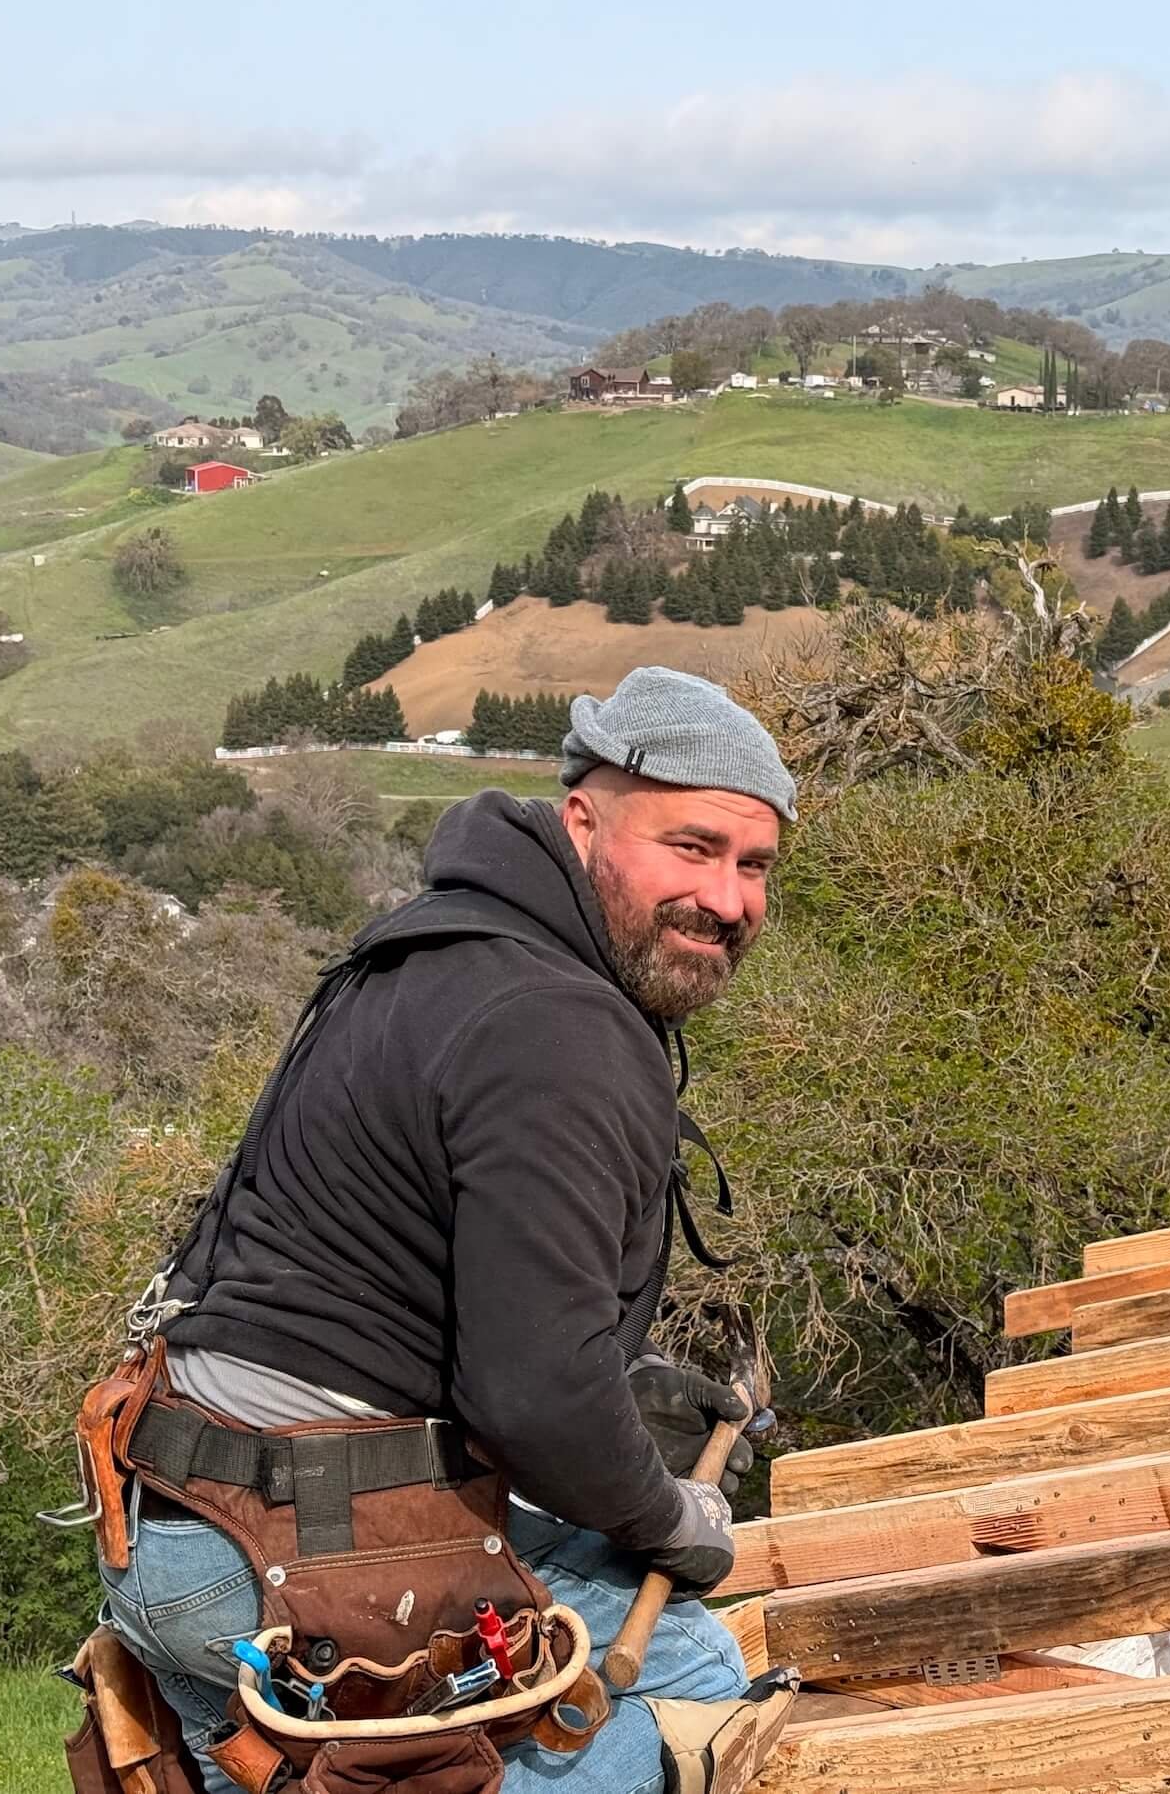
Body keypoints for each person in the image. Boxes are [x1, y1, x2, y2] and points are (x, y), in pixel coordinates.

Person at [93, 668, 796, 1794]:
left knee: (643, 1640)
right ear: (582, 821)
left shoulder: (439, 947)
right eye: (691, 848)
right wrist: (675, 1517)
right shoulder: (554, 1022)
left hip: (188, 1526)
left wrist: (622, 1380)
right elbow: (532, 1398)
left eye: (753, 865)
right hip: (290, 1559)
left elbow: (415, 1287)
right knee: (694, 1685)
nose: (726, 899)